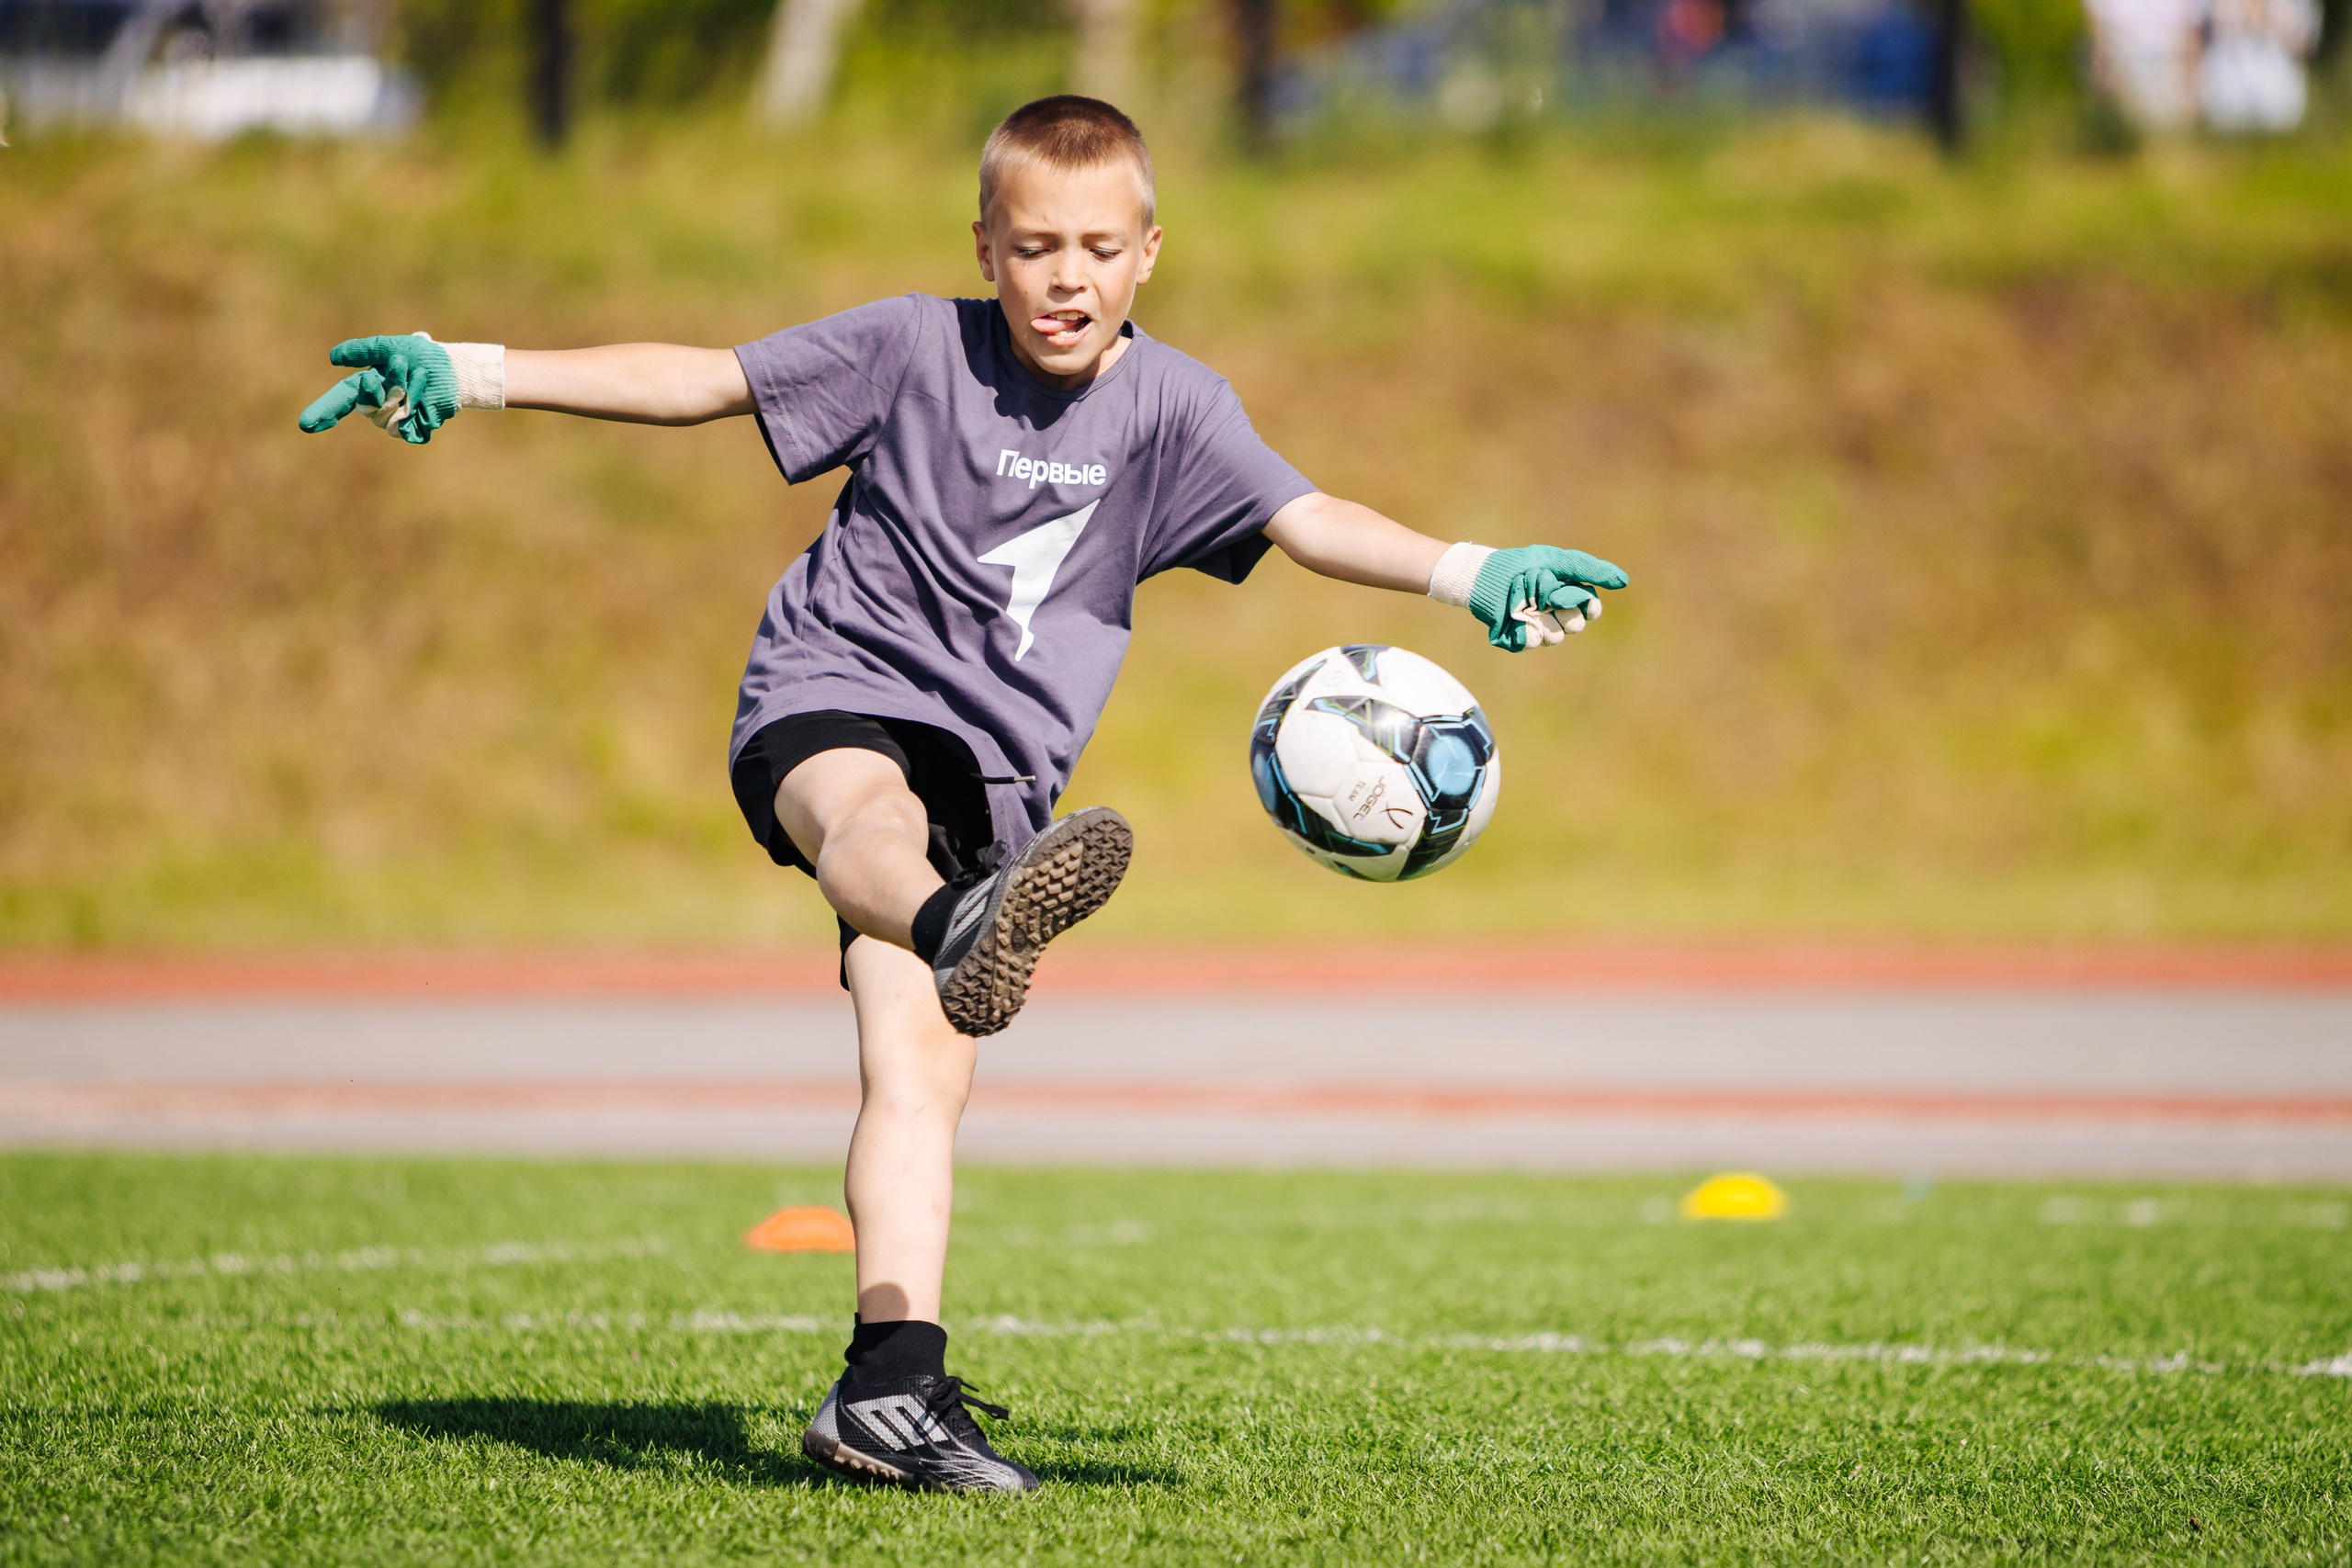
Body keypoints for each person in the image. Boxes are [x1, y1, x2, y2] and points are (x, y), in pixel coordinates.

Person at [298, 95, 1626, 1495]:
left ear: (1150, 252)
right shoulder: (911, 346)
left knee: (917, 1081)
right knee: (869, 821)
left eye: (1099, 248)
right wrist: (473, 366)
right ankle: (960, 928)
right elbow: (700, 379)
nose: (1068, 276)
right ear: (984, 245)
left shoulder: (1176, 407)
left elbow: (1306, 521)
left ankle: (889, 1386)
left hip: (999, 782)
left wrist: (1468, 569)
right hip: (834, 695)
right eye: (1036, 244)